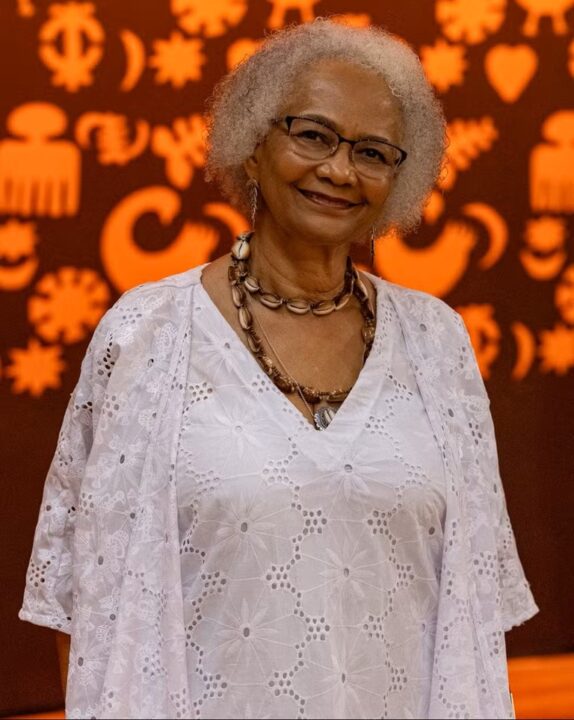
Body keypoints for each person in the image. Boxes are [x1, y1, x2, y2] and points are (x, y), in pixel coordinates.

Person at [20, 19, 538, 720]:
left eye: (372, 152)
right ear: (251, 145)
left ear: (400, 178)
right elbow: (86, 602)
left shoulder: (437, 342)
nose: (340, 170)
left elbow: (473, 611)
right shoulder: (147, 334)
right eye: (313, 135)